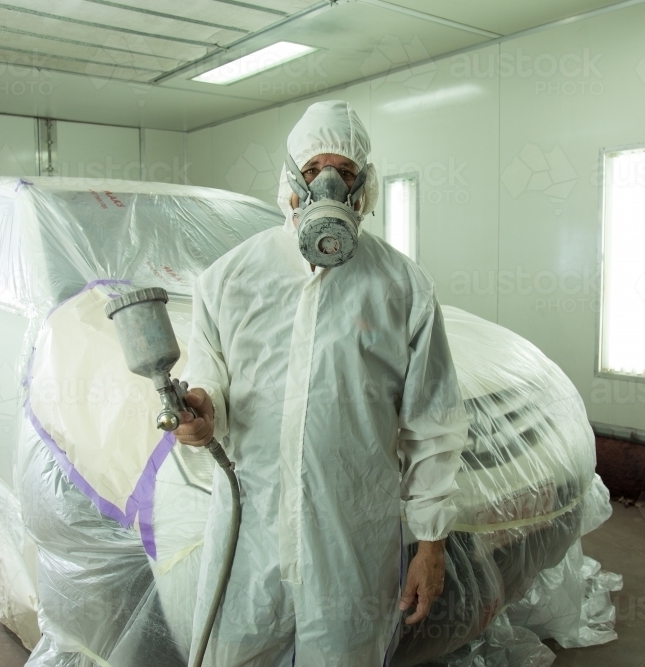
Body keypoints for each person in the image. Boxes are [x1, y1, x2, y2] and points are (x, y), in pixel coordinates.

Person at [177, 100, 468, 666]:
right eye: (313, 171)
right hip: (250, 536)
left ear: (363, 186)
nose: (328, 184)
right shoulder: (229, 279)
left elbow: (433, 426)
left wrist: (430, 545)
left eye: (344, 172)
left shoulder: (401, 287)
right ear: (290, 180)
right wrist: (203, 407)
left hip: (350, 544)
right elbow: (207, 370)